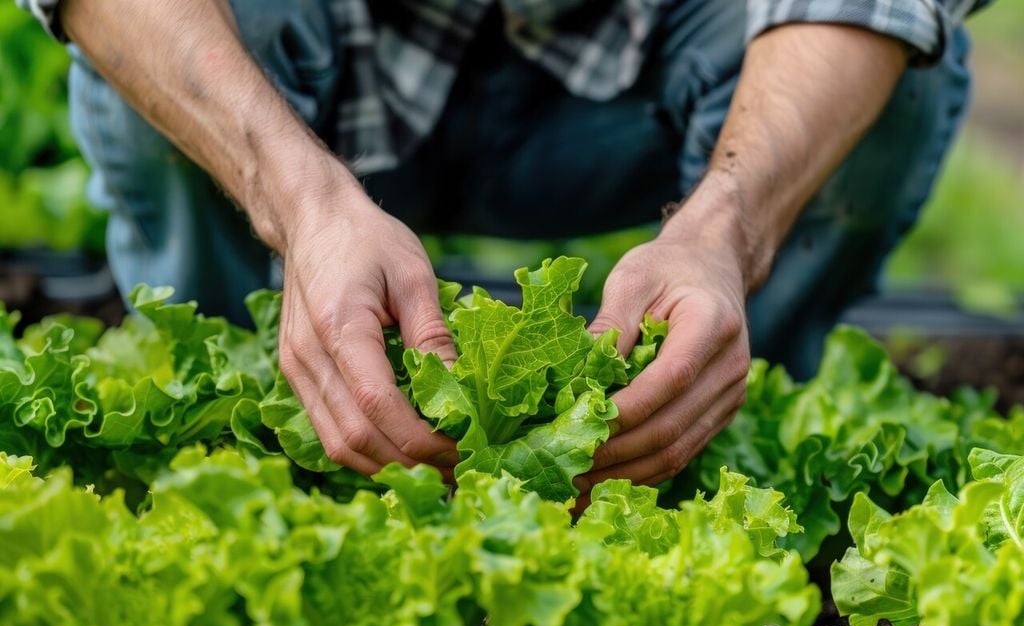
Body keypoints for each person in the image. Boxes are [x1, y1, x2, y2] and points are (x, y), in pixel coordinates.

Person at [21, 0, 977, 493]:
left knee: (895, 69)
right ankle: (249, 418)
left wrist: (721, 231)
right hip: (329, 67)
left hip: (628, 70)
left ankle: (707, 409)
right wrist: (304, 203)